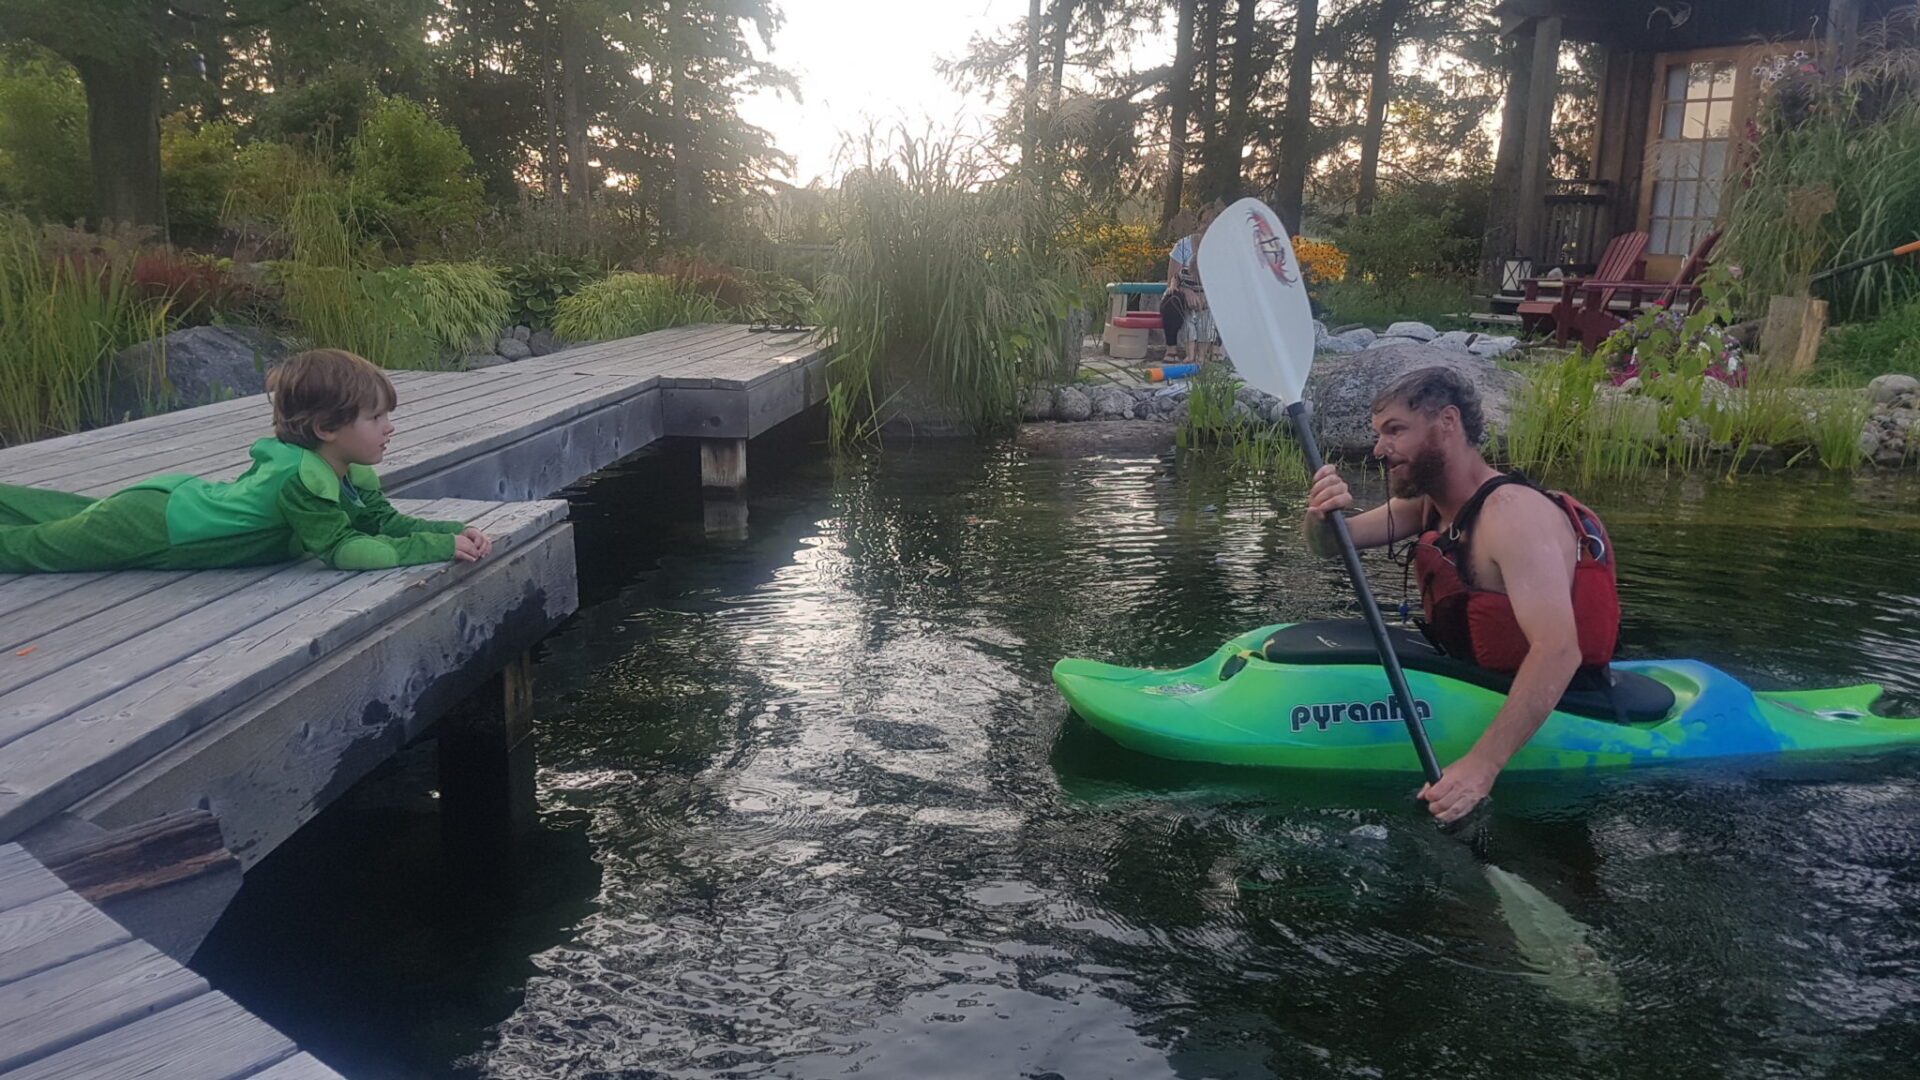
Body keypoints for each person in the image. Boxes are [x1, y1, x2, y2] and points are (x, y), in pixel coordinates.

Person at [1301, 367, 1620, 822]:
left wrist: (1481, 767)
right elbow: (1331, 545)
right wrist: (1319, 512)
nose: (1379, 450)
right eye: (1379, 434)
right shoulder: (1429, 504)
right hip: (1478, 682)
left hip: (1572, 705)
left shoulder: (1513, 516)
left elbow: (1559, 651)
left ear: (1448, 422)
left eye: (1395, 431)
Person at [0, 349, 493, 573]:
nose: (390, 427)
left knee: (53, 513)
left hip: (169, 504)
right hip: (155, 526)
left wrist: (454, 530)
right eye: (376, 417)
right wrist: (437, 547)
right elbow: (344, 550)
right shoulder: (301, 481)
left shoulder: (345, 468)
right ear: (327, 429)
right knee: (34, 549)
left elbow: (379, 521)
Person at [1159, 200, 1227, 363]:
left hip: (1209, 297)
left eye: (1211, 223)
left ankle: (1215, 346)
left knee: (1226, 300)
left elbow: (1225, 283)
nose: (1206, 227)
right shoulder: (1183, 246)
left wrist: (1206, 296)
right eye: (1203, 222)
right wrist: (1186, 291)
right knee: (1172, 299)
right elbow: (1172, 281)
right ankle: (1172, 349)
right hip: (1183, 293)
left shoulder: (1225, 248)